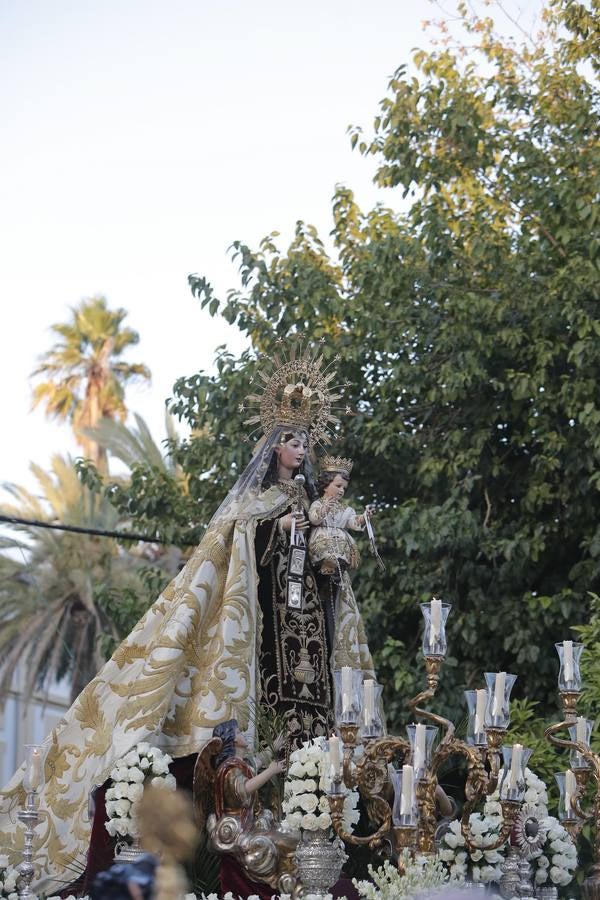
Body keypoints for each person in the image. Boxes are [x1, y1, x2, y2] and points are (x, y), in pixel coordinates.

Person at [0, 339, 376, 892]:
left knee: (314, 730)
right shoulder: (259, 505)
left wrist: (332, 545)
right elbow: (245, 551)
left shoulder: (314, 501)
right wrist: (284, 532)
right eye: (292, 441)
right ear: (274, 447)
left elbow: (330, 560)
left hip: (310, 638)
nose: (300, 450)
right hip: (267, 640)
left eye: (305, 442)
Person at [308, 457, 371, 576]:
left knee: (341, 560)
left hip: (341, 544)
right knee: (326, 554)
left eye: (344, 488)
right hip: (323, 540)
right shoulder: (318, 504)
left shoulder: (346, 509)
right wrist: (325, 509)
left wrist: (364, 517)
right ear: (325, 486)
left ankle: (339, 566)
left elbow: (353, 522)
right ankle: (326, 565)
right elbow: (313, 519)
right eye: (338, 486)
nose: (342, 490)